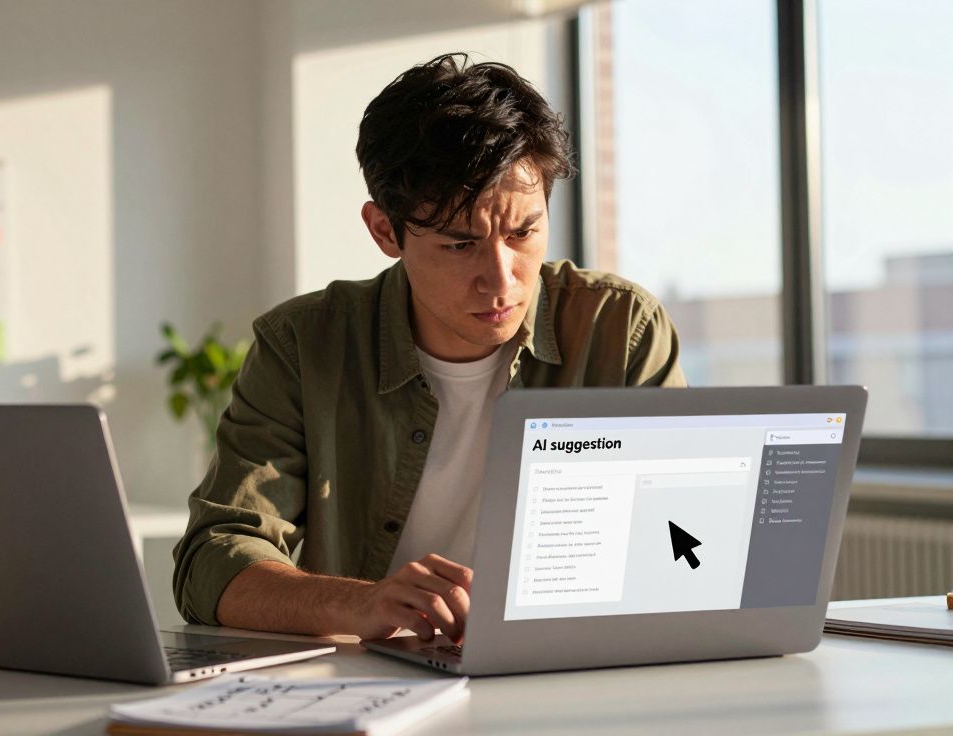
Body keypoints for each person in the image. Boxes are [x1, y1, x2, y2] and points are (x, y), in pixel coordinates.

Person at [172, 52, 685, 645]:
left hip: (567, 666)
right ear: (384, 230)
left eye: (523, 233)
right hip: (374, 687)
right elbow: (211, 562)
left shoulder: (620, 330)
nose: (502, 278)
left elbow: (678, 536)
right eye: (459, 245)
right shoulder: (301, 345)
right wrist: (361, 605)